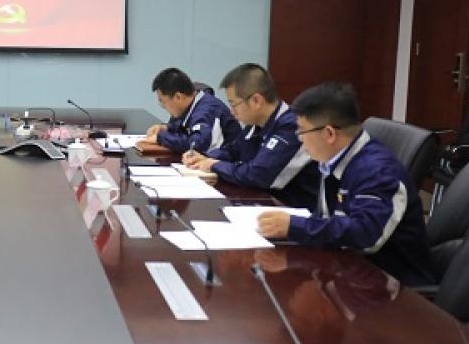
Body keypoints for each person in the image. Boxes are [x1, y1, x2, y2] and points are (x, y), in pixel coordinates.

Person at [256, 82, 434, 286]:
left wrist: (294, 226)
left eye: (302, 131)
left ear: (329, 134)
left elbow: (366, 235)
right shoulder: (334, 158)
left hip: (391, 286)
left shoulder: (376, 171)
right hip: (348, 272)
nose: (300, 140)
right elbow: (327, 218)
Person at [184, 63, 318, 209]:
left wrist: (214, 165)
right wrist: (203, 157)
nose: (231, 111)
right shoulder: (255, 124)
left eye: (234, 104)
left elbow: (257, 175)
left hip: (293, 210)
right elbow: (233, 151)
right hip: (261, 203)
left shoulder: (291, 126)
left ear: (256, 101)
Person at [144, 67, 241, 154]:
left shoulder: (205, 111)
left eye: (162, 102)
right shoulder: (191, 103)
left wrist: (160, 137)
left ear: (178, 97)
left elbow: (195, 145)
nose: (162, 106)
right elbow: (182, 128)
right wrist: (166, 128)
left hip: (230, 163)